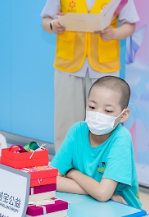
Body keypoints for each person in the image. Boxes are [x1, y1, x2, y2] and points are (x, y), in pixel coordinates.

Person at [41, 0, 139, 151]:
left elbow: (130, 25)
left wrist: (113, 33)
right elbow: (46, 20)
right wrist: (53, 26)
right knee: (67, 124)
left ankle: (101, 167)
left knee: (104, 125)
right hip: (68, 66)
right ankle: (65, 167)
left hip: (104, 68)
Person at [52, 76, 141, 209]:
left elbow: (102, 194)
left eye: (108, 111)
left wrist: (72, 173)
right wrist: (96, 191)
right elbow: (51, 180)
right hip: (87, 205)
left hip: (123, 210)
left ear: (123, 115)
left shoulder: (121, 138)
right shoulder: (77, 130)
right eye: (92, 107)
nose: (97, 114)